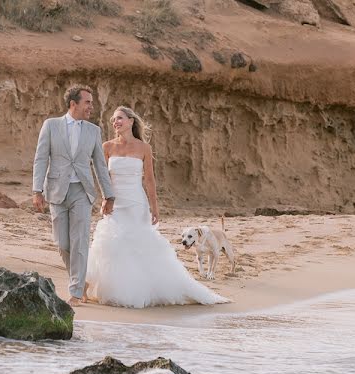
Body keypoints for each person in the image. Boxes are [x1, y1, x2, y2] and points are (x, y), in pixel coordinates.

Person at [84, 106, 228, 308]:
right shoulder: (107, 146)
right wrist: (106, 198)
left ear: (131, 121)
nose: (115, 122)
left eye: (120, 118)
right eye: (114, 119)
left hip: (136, 203)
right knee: (110, 244)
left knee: (139, 244)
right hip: (115, 203)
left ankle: (140, 289)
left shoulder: (144, 148)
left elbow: (150, 181)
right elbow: (102, 176)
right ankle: (104, 288)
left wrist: (155, 208)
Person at [32, 84, 114, 307]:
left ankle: (76, 291)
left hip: (82, 191)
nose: (91, 106)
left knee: (79, 242)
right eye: (87, 102)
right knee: (63, 243)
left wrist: (109, 195)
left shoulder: (93, 131)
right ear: (73, 104)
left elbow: (99, 164)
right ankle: (79, 281)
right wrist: (36, 190)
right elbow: (41, 159)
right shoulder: (51, 125)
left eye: (91, 102)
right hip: (56, 191)